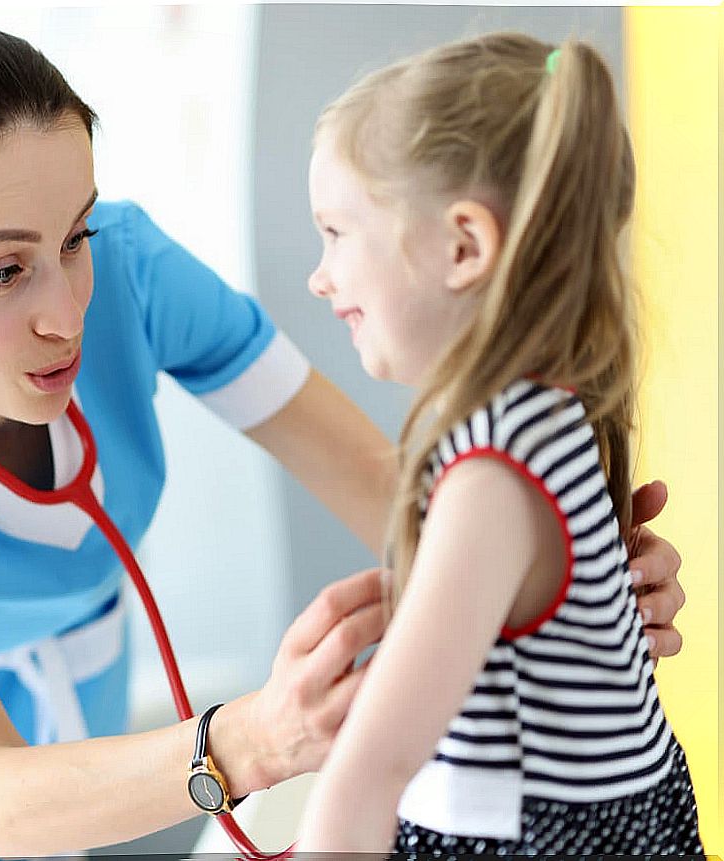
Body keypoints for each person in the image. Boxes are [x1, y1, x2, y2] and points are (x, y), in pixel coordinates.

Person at [0, 23, 689, 858]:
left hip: (66, 802)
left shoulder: (137, 273)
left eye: (74, 235)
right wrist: (255, 738)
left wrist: (555, 585)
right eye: (3, 272)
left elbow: (388, 493)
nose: (68, 308)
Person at [294, 33, 702, 855]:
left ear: (463, 247)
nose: (320, 274)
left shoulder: (492, 471)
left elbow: (369, 767)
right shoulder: (560, 415)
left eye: (336, 232)